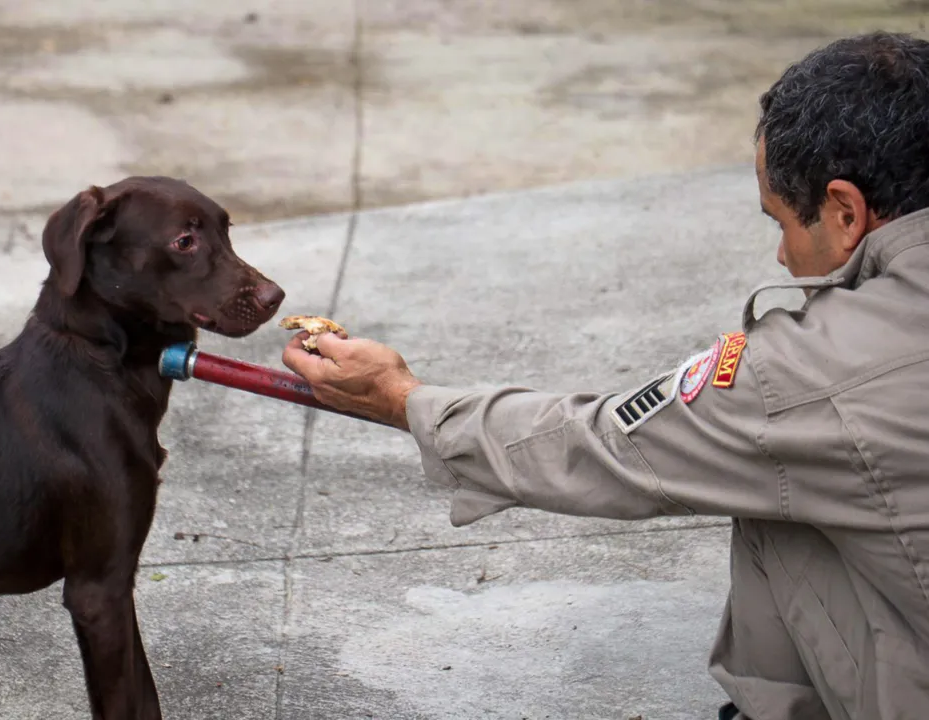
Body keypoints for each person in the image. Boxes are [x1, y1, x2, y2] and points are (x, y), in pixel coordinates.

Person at [281, 31, 929, 720]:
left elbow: (606, 445)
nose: (780, 255)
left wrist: (400, 399)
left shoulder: (813, 375)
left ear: (846, 210)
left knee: (781, 489)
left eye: (782, 222)